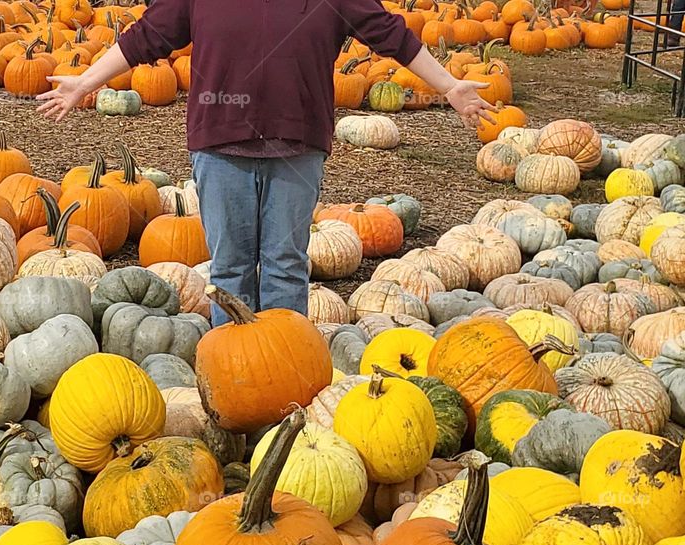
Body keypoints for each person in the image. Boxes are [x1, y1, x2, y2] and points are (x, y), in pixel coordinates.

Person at [37, 0, 496, 325]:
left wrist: (448, 84)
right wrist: (84, 82)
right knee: (231, 267)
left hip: (298, 146)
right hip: (220, 146)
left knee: (284, 264)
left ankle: (285, 368)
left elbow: (390, 33)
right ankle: (233, 371)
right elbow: (146, 37)